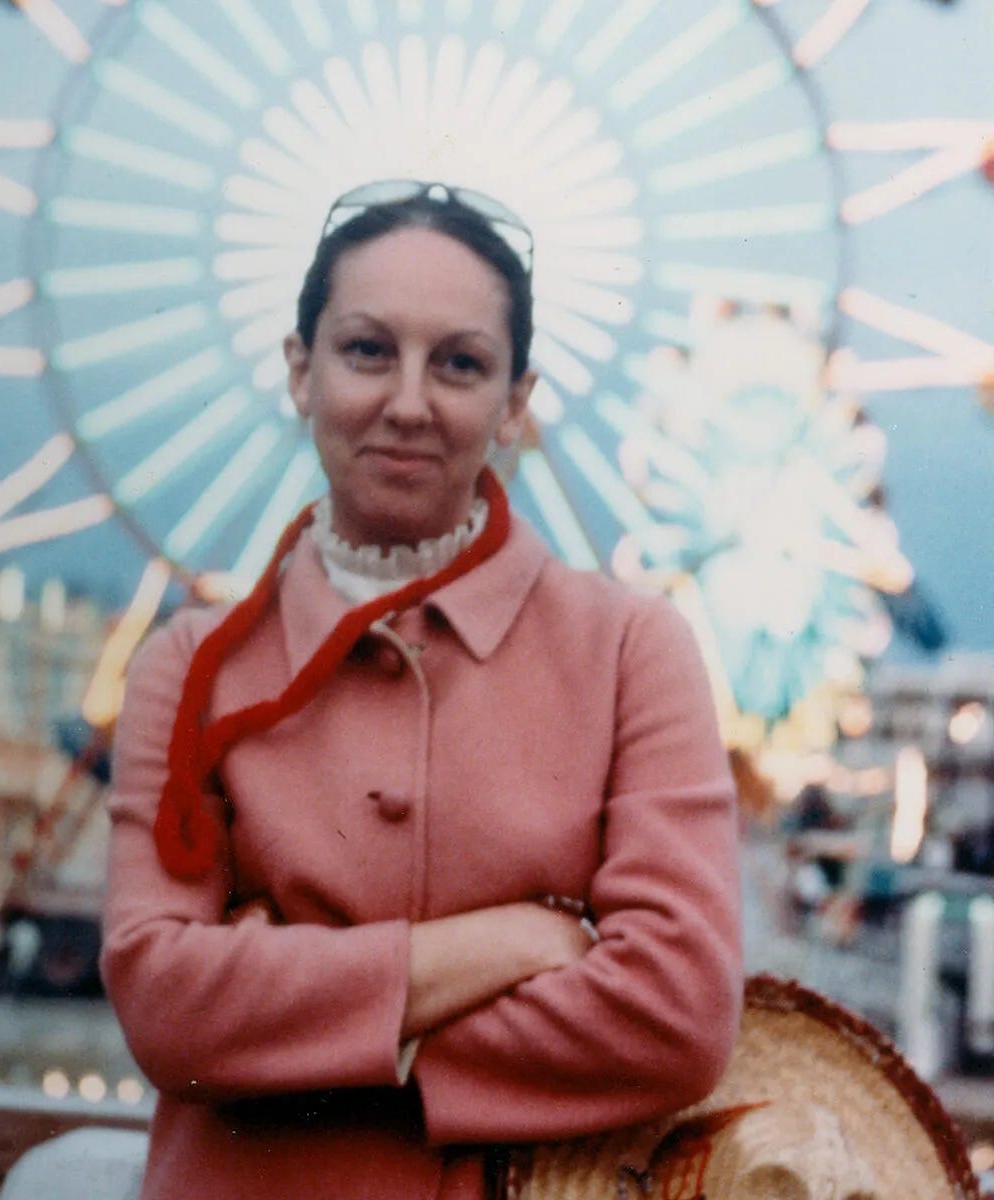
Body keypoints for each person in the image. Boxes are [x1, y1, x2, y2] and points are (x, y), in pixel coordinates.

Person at [100, 181, 742, 1200]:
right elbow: (166, 1014)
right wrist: (508, 944)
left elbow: (678, 1015)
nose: (408, 401)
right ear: (299, 371)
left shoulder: (632, 652)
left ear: (515, 404)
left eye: (459, 363)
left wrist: (294, 1024)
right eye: (366, 351)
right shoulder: (189, 669)